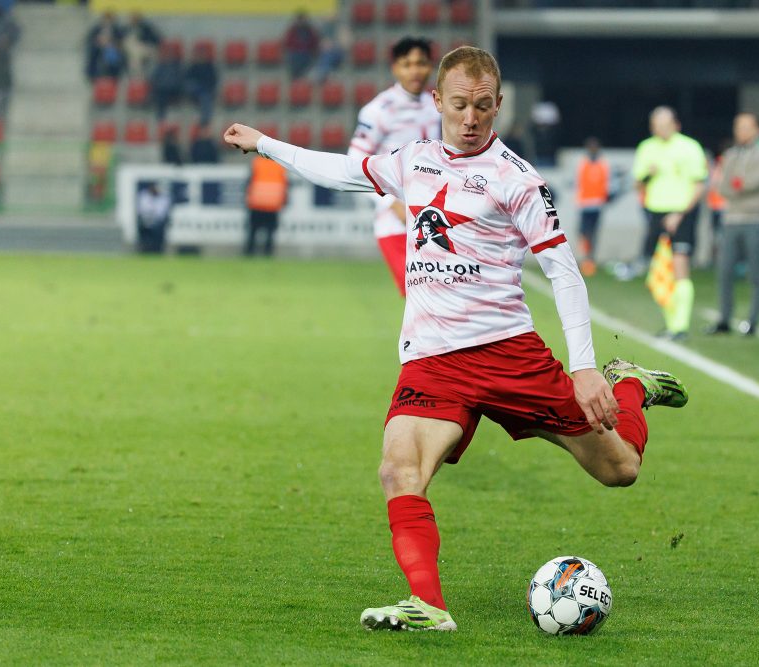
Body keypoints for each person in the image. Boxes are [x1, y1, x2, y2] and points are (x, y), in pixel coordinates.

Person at [224, 45, 689, 632]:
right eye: (461, 105)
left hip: (508, 355)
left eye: (484, 107)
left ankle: (630, 388)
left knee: (619, 469)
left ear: (498, 106)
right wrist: (266, 144)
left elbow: (563, 271)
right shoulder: (411, 160)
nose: (471, 119)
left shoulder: (518, 180)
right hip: (433, 361)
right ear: (438, 101)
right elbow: (345, 172)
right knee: (398, 471)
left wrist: (587, 365)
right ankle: (429, 606)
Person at [347, 36, 440, 295]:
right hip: (395, 221)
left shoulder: (438, 106)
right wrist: (390, 203)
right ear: (395, 68)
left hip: (433, 216)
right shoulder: (379, 110)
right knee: (421, 296)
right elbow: (356, 164)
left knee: (442, 299)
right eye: (406, 64)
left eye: (421, 63)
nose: (414, 70)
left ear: (431, 67)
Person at [632, 106, 708, 341]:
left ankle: (680, 326)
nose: (660, 129)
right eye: (656, 124)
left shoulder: (689, 147)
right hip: (656, 213)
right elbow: (638, 182)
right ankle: (670, 323)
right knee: (658, 272)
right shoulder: (647, 148)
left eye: (664, 124)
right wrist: (648, 176)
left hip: (681, 214)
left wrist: (680, 213)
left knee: (680, 265)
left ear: (676, 124)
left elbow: (698, 184)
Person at [706, 112, 759, 336]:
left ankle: (753, 321)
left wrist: (736, 185)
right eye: (739, 127)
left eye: (747, 127)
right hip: (731, 220)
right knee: (724, 271)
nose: (742, 132)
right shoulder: (730, 155)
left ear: (756, 129)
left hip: (755, 219)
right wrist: (737, 185)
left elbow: (753, 184)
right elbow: (723, 186)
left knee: (756, 274)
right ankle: (724, 319)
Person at [575, 137, 611, 277]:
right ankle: (586, 256)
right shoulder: (583, 163)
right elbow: (580, 182)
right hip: (585, 204)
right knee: (583, 232)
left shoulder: (603, 164)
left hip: (597, 204)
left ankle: (590, 259)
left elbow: (606, 184)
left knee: (593, 232)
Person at [244, 156, 288, 257]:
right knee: (270, 231)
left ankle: (249, 252)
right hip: (273, 203)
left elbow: (250, 181)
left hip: (257, 202)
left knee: (253, 230)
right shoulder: (280, 164)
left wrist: (247, 196)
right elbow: (284, 183)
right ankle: (267, 253)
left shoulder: (257, 162)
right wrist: (284, 200)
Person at [185, 42, 217, 126]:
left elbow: (213, 80)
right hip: (194, 90)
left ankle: (205, 120)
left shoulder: (209, 67)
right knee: (190, 86)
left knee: (205, 97)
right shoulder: (193, 66)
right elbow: (187, 78)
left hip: (205, 91)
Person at [283, 10, 319, 80]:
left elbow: (315, 43)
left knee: (306, 58)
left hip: (308, 54)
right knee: (295, 57)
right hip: (295, 53)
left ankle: (303, 77)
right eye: (301, 19)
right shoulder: (292, 30)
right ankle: (296, 78)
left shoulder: (310, 30)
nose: (302, 21)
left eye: (304, 19)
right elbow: (287, 43)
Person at [136, 183, 171, 254]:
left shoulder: (163, 197)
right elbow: (143, 209)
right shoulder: (144, 196)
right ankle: (145, 249)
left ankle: (157, 250)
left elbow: (161, 212)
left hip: (158, 222)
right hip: (145, 220)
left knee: (159, 229)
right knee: (143, 228)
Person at [150, 46, 184, 120]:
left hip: (173, 89)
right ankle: (161, 119)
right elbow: (153, 77)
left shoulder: (177, 66)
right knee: (159, 95)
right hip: (162, 88)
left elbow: (180, 79)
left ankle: (164, 118)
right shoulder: (160, 66)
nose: (168, 56)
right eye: (167, 54)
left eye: (170, 55)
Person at [122, 12, 161, 77]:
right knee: (134, 56)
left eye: (135, 17)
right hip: (130, 50)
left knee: (136, 56)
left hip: (145, 48)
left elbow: (157, 39)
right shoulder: (126, 28)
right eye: (132, 17)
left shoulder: (146, 27)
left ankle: (141, 77)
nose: (133, 19)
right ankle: (137, 77)